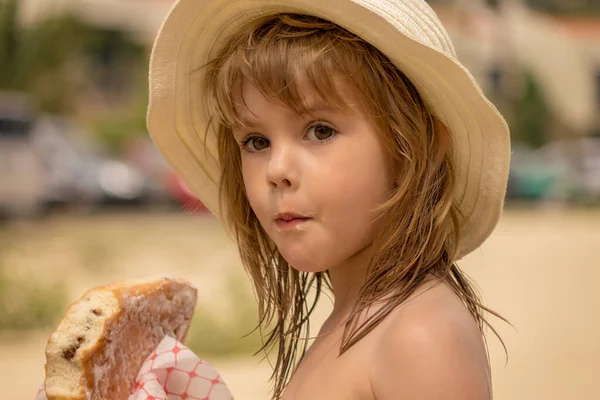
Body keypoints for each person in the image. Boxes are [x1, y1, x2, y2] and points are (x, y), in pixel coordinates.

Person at [147, 1, 511, 399]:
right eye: (256, 142)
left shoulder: (419, 337)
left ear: (416, 150)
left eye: (320, 131)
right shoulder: (351, 324)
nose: (276, 169)